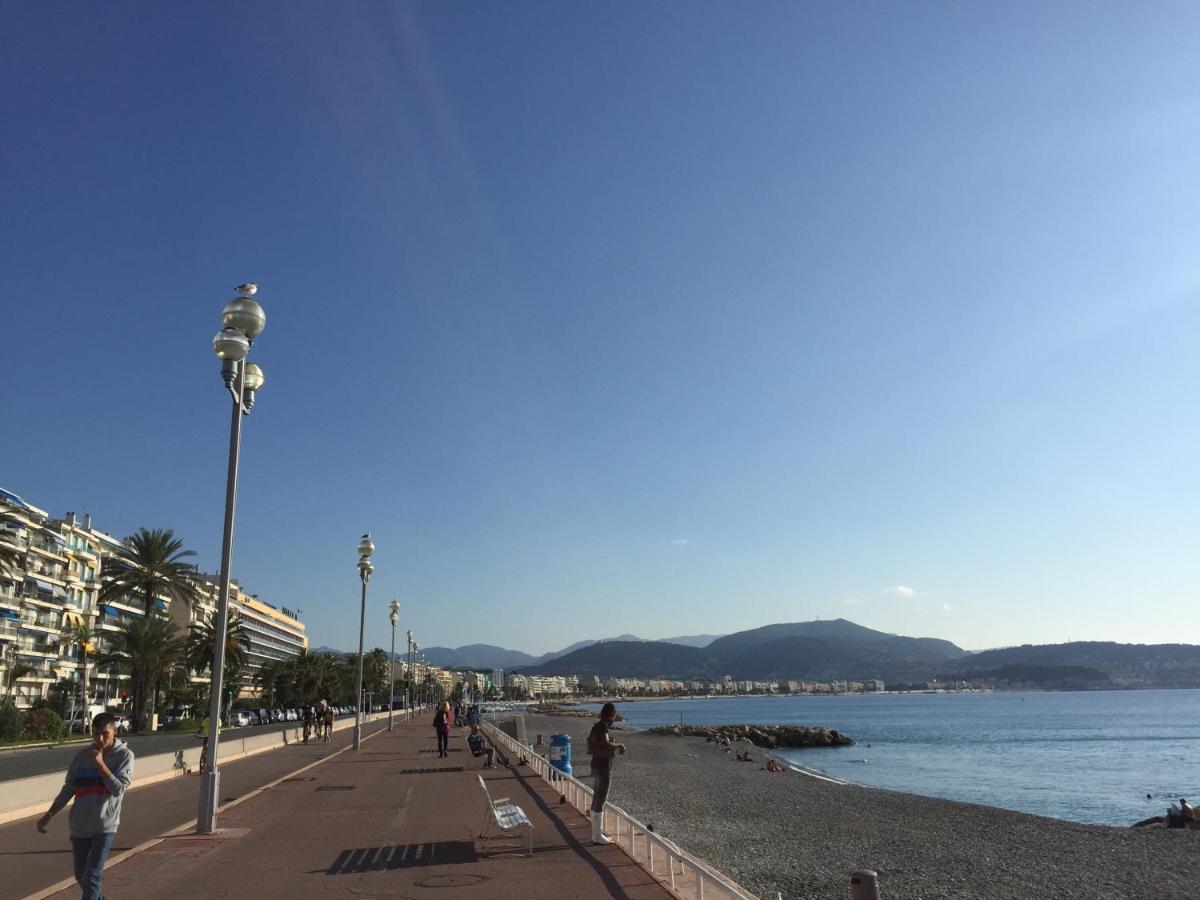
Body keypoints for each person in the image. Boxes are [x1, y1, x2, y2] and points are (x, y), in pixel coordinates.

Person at [37, 712, 135, 900]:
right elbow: (69, 789)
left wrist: (100, 764)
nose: (99, 739)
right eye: (95, 733)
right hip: (80, 826)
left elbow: (118, 789)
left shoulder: (124, 756)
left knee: (92, 878)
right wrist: (49, 814)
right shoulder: (81, 757)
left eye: (104, 734)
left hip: (104, 826)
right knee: (81, 876)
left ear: (114, 731)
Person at [587, 702, 626, 844]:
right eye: (614, 716)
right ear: (611, 715)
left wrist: (612, 742)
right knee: (601, 799)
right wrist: (619, 745)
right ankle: (597, 836)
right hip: (603, 766)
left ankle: (596, 834)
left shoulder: (596, 726)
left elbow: (598, 743)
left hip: (596, 764)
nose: (614, 719)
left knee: (596, 797)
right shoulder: (603, 726)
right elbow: (605, 743)